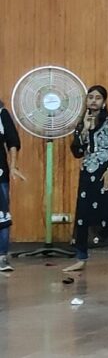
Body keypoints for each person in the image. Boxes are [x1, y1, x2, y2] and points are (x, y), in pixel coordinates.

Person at [63, 85, 108, 273]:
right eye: (90, 97)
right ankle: (81, 258)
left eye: (98, 98)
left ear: (104, 102)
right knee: (83, 215)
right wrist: (84, 130)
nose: (93, 101)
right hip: (88, 174)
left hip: (107, 174)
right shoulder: (81, 125)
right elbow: (77, 152)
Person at [0, 99, 24, 272]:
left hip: (0, 172)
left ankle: (2, 257)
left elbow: (13, 141)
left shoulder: (1, 113)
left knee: (2, 215)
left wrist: (13, 166)